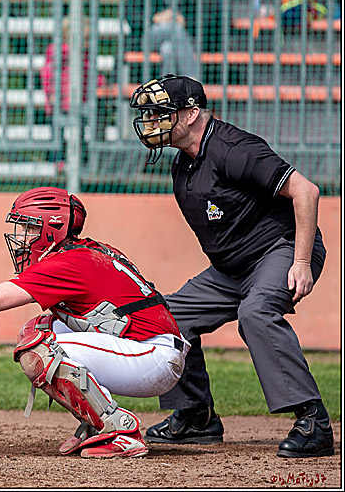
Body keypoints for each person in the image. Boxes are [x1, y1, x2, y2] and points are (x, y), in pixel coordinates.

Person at [0, 186, 187, 459]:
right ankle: (97, 422)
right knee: (40, 326)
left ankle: (121, 430)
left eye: (30, 228)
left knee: (36, 349)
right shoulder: (83, 251)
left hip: (152, 356)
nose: (22, 237)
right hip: (148, 349)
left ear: (52, 229)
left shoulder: (67, 263)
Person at [128, 75, 332, 458]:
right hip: (233, 269)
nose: (152, 121)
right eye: (149, 114)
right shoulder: (182, 167)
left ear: (191, 114)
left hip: (280, 249)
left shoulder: (234, 148)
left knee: (255, 312)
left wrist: (301, 261)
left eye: (160, 112)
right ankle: (195, 418)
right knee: (167, 315)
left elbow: (306, 191)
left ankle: (314, 422)